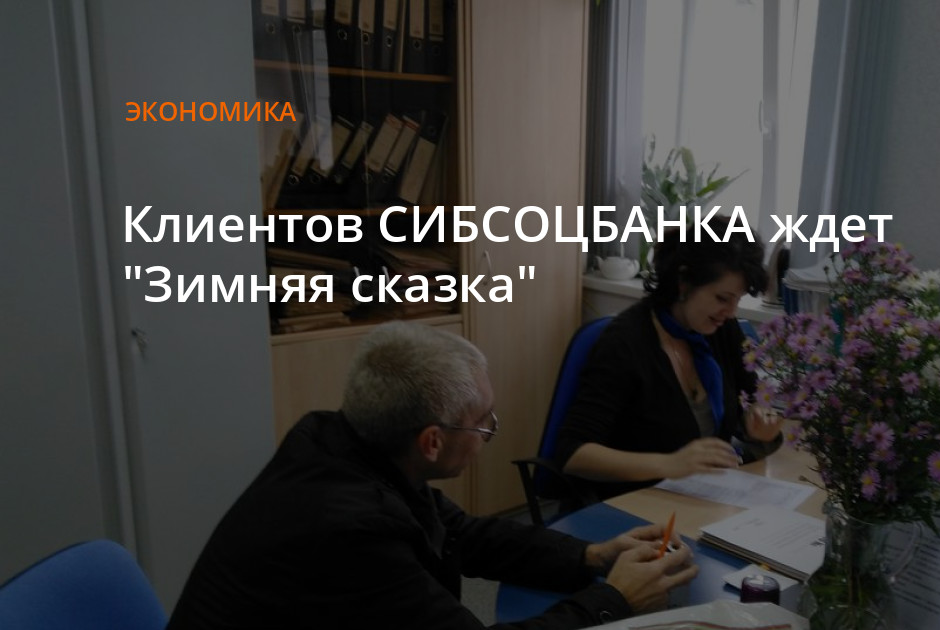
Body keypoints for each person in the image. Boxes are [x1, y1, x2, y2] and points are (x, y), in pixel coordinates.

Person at [167, 322, 697, 630]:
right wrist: (615, 599)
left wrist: (593, 556)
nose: (490, 431)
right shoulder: (348, 531)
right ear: (432, 441)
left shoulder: (343, 440)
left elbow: (460, 533)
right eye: (483, 422)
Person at [554, 215, 783, 502]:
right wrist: (670, 464)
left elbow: (752, 400)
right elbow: (572, 453)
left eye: (737, 299)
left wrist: (759, 425)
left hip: (702, 498)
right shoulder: (626, 343)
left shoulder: (721, 331)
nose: (731, 311)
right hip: (634, 503)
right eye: (722, 298)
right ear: (684, 282)